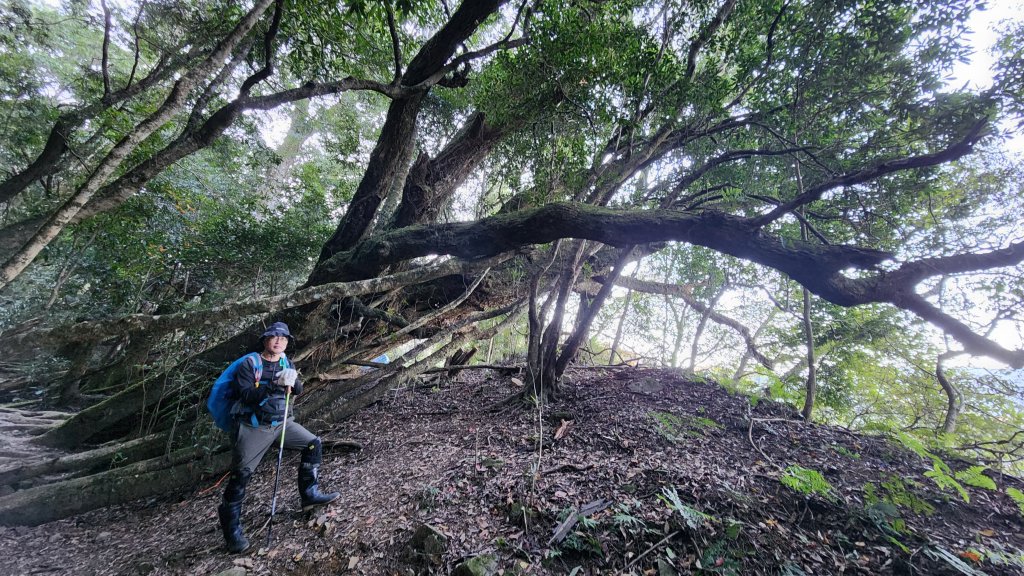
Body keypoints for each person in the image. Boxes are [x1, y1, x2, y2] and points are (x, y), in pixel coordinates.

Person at [217, 321, 340, 553]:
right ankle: (232, 531)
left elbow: (299, 389)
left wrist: (293, 382)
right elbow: (246, 395)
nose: (278, 341)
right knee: (240, 476)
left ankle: (309, 494)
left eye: (283, 338)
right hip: (254, 426)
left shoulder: (286, 362)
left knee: (313, 443)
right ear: (265, 340)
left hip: (282, 423)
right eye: (274, 337)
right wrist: (274, 384)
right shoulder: (250, 364)